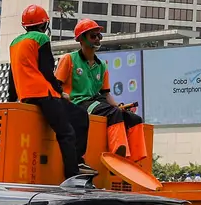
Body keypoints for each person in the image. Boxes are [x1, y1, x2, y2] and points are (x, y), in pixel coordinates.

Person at [8, 5, 93, 178]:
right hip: (44, 94)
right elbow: (47, 71)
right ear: (43, 24)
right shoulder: (41, 39)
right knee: (69, 131)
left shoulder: (14, 43)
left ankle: (75, 166)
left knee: (76, 115)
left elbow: (12, 75)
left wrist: (12, 100)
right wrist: (60, 91)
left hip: (26, 97)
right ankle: (74, 172)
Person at [55, 19, 148, 162]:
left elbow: (106, 94)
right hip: (77, 104)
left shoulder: (102, 66)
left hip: (96, 103)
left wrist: (119, 106)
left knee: (133, 118)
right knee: (113, 112)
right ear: (81, 39)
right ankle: (117, 153)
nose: (98, 39)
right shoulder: (69, 59)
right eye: (93, 36)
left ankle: (135, 159)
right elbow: (55, 85)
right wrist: (62, 95)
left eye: (99, 36)